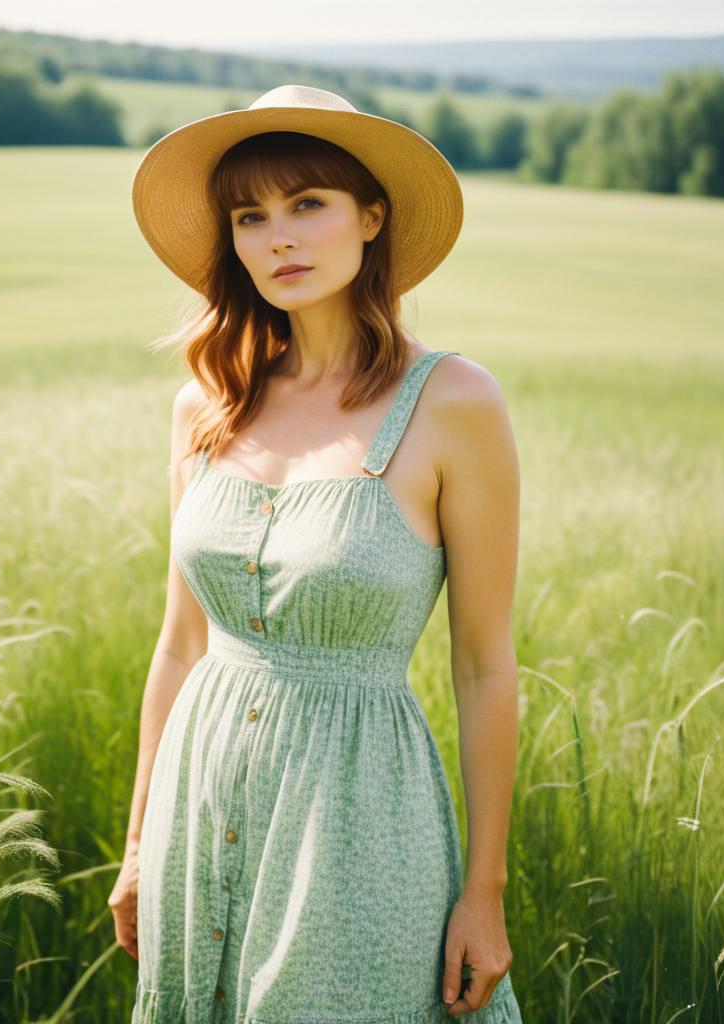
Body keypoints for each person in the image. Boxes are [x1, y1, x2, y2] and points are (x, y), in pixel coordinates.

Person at [108, 84, 524, 1023]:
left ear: (371, 217)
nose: (278, 238)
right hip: (197, 794)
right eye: (250, 217)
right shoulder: (206, 404)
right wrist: (138, 844)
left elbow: (485, 665)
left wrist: (484, 895)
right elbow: (181, 644)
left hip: (356, 817)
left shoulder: (454, 402)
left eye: (308, 204)